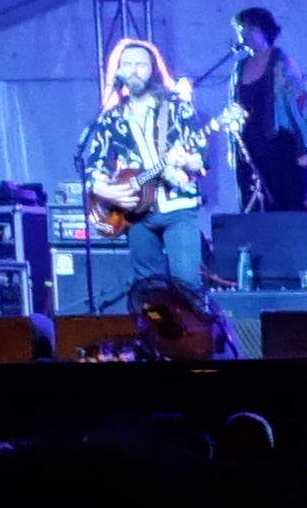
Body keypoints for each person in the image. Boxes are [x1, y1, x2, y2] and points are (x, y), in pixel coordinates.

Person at [72, 35, 215, 309]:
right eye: (127, 64)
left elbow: (200, 160)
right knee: (148, 290)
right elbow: (94, 164)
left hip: (178, 208)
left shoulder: (176, 107)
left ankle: (195, 334)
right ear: (118, 71)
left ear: (153, 70)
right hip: (136, 214)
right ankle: (158, 334)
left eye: (141, 64)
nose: (134, 70)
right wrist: (105, 190)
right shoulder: (111, 117)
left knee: (187, 286)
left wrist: (186, 161)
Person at [223, 9, 307, 218]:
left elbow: (299, 107)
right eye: (240, 28)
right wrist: (232, 147)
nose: (244, 33)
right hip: (248, 149)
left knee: (285, 207)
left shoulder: (281, 63)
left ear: (264, 30)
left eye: (250, 28)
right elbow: (233, 107)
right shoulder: (239, 67)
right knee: (252, 207)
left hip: (279, 145)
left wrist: (303, 148)